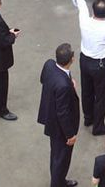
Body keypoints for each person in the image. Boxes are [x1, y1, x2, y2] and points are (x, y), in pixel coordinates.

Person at [73, 0, 105, 136]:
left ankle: (88, 118)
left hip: (85, 60)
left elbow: (82, 9)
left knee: (87, 91)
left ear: (93, 11)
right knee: (101, 95)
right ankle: (98, 126)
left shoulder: (85, 22)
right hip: (100, 64)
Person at [37, 43, 81, 187]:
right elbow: (63, 112)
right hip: (60, 128)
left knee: (56, 156)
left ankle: (60, 181)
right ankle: (58, 183)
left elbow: (43, 79)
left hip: (50, 119)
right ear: (72, 59)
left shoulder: (49, 65)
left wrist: (68, 83)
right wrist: (70, 135)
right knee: (61, 159)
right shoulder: (63, 85)